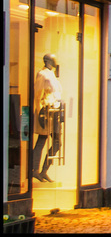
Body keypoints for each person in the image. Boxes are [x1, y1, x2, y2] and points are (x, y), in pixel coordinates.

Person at [33, 54, 62, 183]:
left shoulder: (52, 76)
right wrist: (40, 112)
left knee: (57, 142)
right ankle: (35, 170)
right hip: (46, 111)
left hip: (54, 112)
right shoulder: (42, 74)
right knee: (42, 140)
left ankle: (44, 170)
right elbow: (37, 95)